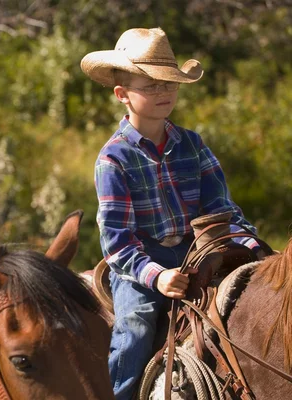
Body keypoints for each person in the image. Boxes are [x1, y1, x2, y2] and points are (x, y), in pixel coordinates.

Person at [80, 28, 261, 399]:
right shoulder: (113, 159)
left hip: (198, 251)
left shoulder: (192, 145)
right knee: (135, 325)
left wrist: (253, 246)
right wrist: (158, 277)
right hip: (140, 262)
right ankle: (122, 393)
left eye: (169, 84)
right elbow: (118, 243)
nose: (163, 93)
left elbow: (221, 212)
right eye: (149, 85)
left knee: (246, 303)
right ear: (122, 95)